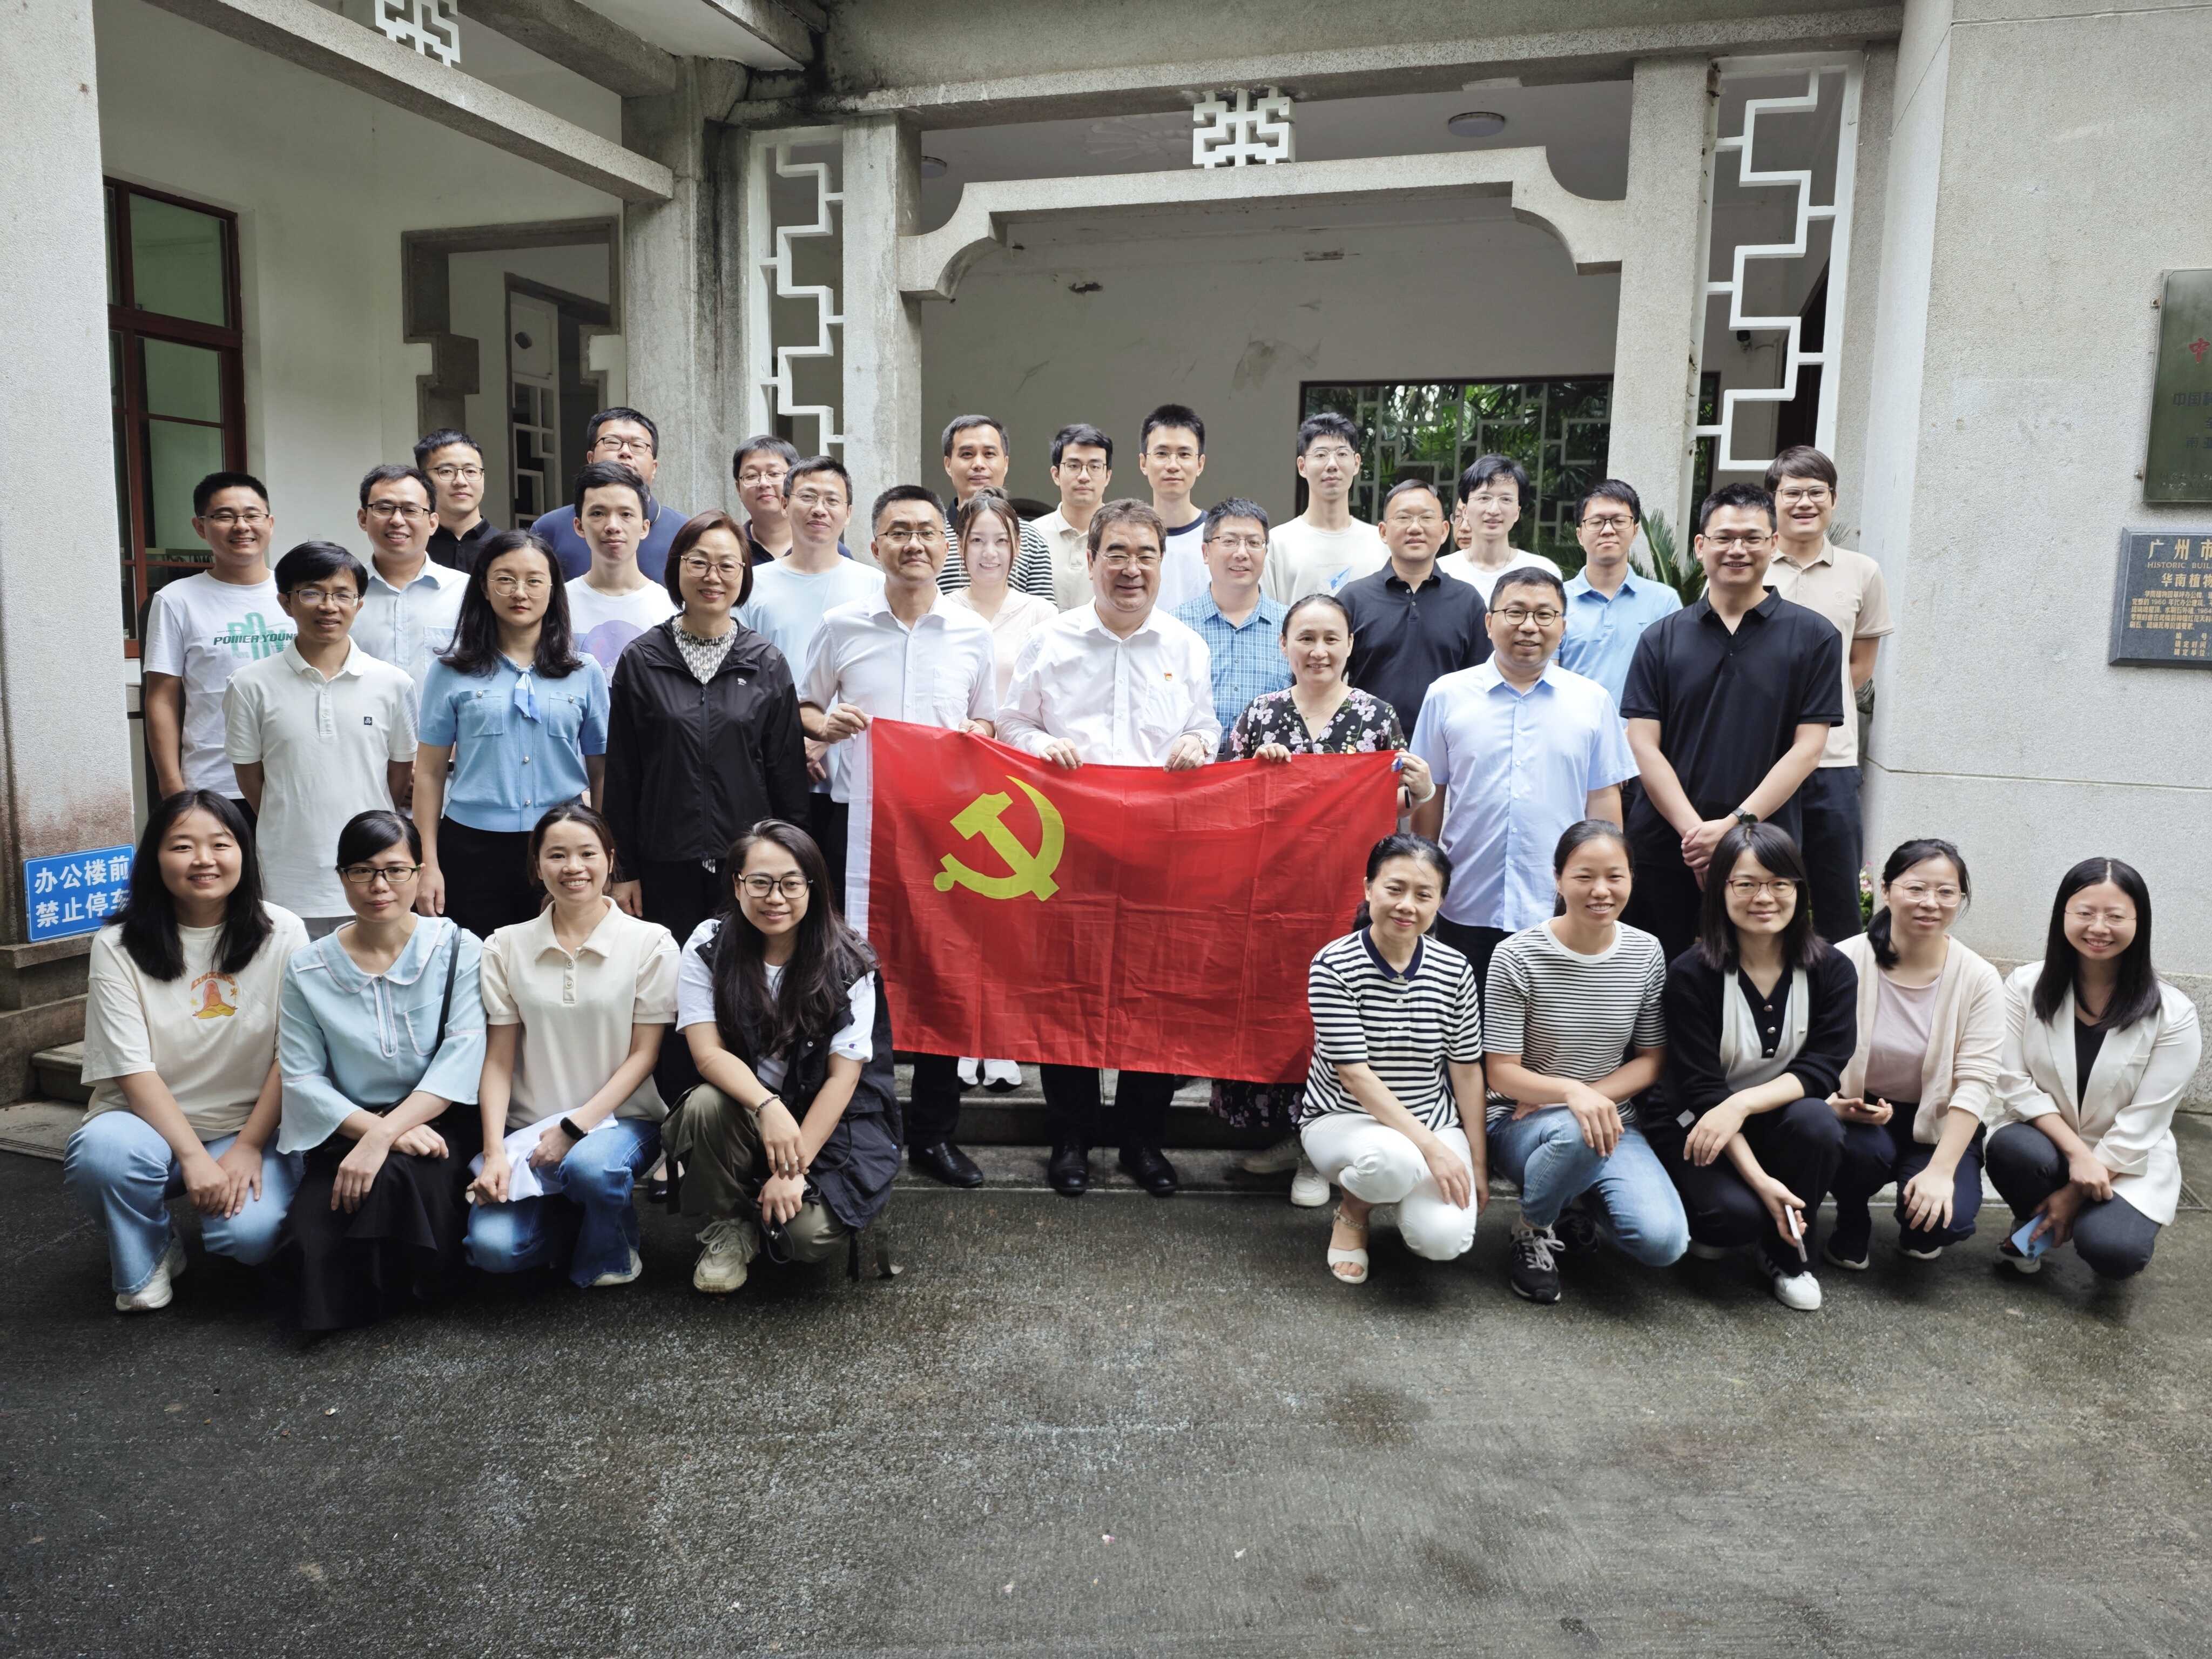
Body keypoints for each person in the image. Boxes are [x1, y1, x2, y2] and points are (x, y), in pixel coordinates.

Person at [999, 499, 1220, 1197]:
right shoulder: (1050, 640)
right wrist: (1042, 744)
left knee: (1152, 997)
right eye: (1116, 553)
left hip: (1159, 852)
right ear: (1091, 560)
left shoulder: (1185, 646)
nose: (1131, 569)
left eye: (1145, 555)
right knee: (1067, 995)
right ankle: (1071, 1140)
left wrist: (1197, 745)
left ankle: (1140, 1142)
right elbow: (1012, 725)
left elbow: (1207, 729)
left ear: (1161, 563)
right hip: (1067, 851)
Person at [801, 483, 998, 1185]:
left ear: (946, 546)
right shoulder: (842, 624)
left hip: (945, 832)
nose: (913, 544)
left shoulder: (973, 633)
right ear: (875, 544)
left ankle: (934, 1133)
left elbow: (990, 719)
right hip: (856, 824)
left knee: (942, 975)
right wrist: (823, 726)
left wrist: (976, 731)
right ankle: (865, 1127)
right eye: (898, 532)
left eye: (926, 532)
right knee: (854, 976)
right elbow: (804, 704)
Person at [1217, 592, 1434, 1205]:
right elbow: (1224, 800)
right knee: (1278, 1009)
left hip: (1347, 898)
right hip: (1273, 896)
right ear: (1283, 645)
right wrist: (1257, 772)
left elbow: (1392, 808)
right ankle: (1288, 1140)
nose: (1318, 651)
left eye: (1331, 638)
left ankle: (1323, 1151)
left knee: (1338, 1016)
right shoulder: (1260, 715)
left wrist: (1419, 790)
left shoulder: (1376, 717)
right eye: (1306, 638)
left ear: (1350, 646)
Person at [62, 793, 309, 1313]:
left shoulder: (284, 932)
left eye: (220, 844)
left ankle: (234, 1196)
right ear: (155, 858)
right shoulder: (117, 944)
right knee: (103, 1155)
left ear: (243, 852)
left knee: (249, 1239)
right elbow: (131, 1067)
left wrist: (248, 1145)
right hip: (146, 1127)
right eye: (182, 846)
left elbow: (293, 1055)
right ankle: (152, 1249)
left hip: (246, 1128)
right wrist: (194, 1157)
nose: (203, 860)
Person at [662, 821, 900, 1294]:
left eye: (791, 884)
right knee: (704, 1105)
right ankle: (731, 1224)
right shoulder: (709, 946)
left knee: (803, 1238)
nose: (775, 898)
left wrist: (794, 1170)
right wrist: (767, 1107)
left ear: (813, 886)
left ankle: (775, 1205)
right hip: (749, 1108)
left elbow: (843, 1078)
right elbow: (707, 1054)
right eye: (760, 883)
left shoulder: (850, 961)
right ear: (737, 885)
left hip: (833, 1120)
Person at [274, 810, 485, 1332]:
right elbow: (301, 1078)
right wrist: (375, 1132)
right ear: (342, 877)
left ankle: (392, 1295)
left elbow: (462, 1057)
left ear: (419, 873)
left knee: (394, 1179)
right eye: (362, 871)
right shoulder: (307, 968)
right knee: (306, 1243)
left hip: (439, 1127)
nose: (379, 886)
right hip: (348, 1128)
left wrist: (386, 1136)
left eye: (395, 870)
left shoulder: (459, 948)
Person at [1620, 483, 1843, 965]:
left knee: (1756, 976)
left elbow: (1808, 749)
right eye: (1724, 537)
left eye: (1752, 538)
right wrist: (1696, 835)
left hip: (1765, 851)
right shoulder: (1661, 638)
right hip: (1668, 846)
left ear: (1774, 543)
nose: (1737, 549)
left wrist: (1734, 828)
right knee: (1657, 978)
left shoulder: (1815, 637)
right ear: (1701, 546)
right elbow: (1642, 743)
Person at [464, 804, 678, 1289]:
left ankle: (610, 1248)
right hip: (529, 1132)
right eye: (557, 855)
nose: (573, 867)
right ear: (537, 865)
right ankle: (574, 1214)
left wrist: (574, 1128)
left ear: (610, 860)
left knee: (592, 1168)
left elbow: (644, 1055)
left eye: (587, 853)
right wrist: (494, 1152)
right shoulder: (503, 946)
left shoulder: (652, 943)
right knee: (495, 1251)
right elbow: (498, 1061)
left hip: (624, 1122)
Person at [1651, 824, 1854, 1311]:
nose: (1764, 897)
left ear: (1799, 890)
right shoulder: (1691, 974)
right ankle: (1737, 1214)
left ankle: (1789, 1257)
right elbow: (1701, 1089)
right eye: (1746, 884)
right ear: (1720, 889)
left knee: (1818, 1121)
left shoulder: (1832, 969)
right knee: (1732, 1218)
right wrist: (1762, 1183)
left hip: (1770, 1116)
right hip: (1694, 1121)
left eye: (1779, 883)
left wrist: (1740, 1105)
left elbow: (1823, 1070)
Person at [1482, 821, 1685, 1304]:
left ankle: (1573, 1196)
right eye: (1584, 876)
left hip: (1611, 1120)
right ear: (1558, 879)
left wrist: (1588, 1097)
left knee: (1663, 1243)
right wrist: (1569, 1094)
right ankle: (1532, 1227)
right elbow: (1500, 1071)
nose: (1601, 890)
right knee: (1575, 1133)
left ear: (1632, 879)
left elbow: (1652, 1060)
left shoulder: (1645, 951)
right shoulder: (1516, 955)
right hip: (1520, 1119)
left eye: (1615, 876)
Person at [1410, 567, 1635, 994]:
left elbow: (1604, 800)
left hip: (1557, 905)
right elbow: (1429, 793)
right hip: (1466, 899)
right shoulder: (1446, 695)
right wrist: (1424, 878)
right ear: (1489, 622)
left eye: (1545, 615)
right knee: (1465, 1023)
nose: (1529, 626)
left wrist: (1604, 883)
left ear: (1563, 627)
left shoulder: (1592, 701)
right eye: (1515, 612)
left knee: (1553, 1023)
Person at [605, 510, 811, 956]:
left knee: (746, 977)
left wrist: (790, 869)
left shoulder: (766, 662)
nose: (712, 576)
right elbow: (622, 774)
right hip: (663, 862)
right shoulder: (642, 659)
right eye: (698, 562)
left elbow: (787, 777)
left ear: (744, 573)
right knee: (668, 979)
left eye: (727, 564)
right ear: (676, 566)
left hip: (749, 866)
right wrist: (623, 871)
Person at [1987, 859, 2201, 1282]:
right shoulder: (2024, 987)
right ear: (2063, 915)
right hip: (2049, 1142)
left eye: (2115, 916)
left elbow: (2146, 1119)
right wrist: (2079, 1155)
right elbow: (2013, 1082)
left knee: (2114, 1250)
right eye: (2085, 913)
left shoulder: (2174, 1013)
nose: (2099, 928)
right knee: (2013, 1149)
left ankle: (2063, 1216)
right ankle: (2031, 1219)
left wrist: (2072, 1196)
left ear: (2139, 922)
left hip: (2129, 1156)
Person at [1299, 834, 1485, 1286]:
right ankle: (1354, 1211)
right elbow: (1355, 1076)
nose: (1407, 905)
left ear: (1440, 902)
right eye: (1394, 889)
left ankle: (1405, 1191)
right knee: (1392, 1161)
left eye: (1424, 894)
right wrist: (1433, 1150)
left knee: (1443, 1241)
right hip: (1344, 1119)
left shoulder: (1455, 969)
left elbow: (1465, 1070)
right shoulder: (1333, 965)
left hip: (1432, 1121)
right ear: (1368, 888)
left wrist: (1479, 1164)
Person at [415, 531, 609, 942]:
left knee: (559, 959)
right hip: (471, 848)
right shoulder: (450, 671)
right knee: (478, 964)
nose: (520, 592)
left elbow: (602, 770)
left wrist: (607, 856)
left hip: (563, 846)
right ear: (484, 587)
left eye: (534, 581)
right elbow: (429, 773)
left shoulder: (584, 671)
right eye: (505, 579)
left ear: (553, 590)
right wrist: (428, 864)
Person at [1825, 838, 2005, 1269]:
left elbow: (1976, 1081)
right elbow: (1815, 1052)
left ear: (1960, 899)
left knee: (1945, 1222)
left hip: (1939, 1120)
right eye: (1916, 888)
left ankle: (1916, 1224)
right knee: (1858, 1156)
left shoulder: (1978, 978)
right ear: (1887, 891)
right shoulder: (1844, 960)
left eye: (1946, 892)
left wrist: (1941, 1172)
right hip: (1861, 1113)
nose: (1931, 903)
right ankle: (1851, 1218)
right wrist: (1831, 1103)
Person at [222, 541, 416, 935]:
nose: (329, 606)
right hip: (289, 877)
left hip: (372, 875)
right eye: (311, 593)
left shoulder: (394, 684)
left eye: (343, 595)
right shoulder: (249, 684)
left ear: (359, 604)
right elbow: (251, 780)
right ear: (285, 602)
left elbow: (397, 777)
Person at [1761, 446, 1893, 943]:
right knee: (1762, 886)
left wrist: (1814, 716)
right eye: (1792, 492)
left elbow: (1859, 665)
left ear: (1834, 500)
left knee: (1837, 895)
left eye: (1816, 492)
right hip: (1761, 758)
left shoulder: (1863, 571)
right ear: (1773, 500)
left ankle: (1840, 984)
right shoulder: (1750, 563)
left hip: (1832, 761)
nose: (1805, 503)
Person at [738, 457, 885, 863]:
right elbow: (745, 682)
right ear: (785, 504)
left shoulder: (876, 586)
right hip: (773, 771)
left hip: (856, 775)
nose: (820, 509)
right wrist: (791, 742)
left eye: (832, 500)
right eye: (808, 497)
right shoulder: (753, 586)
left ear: (849, 513)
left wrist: (822, 736)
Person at [143, 471, 298, 810]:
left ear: (270, 523)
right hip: (215, 784)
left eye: (252, 515)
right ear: (200, 527)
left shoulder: (299, 593)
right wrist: (172, 787)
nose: (241, 526)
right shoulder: (176, 600)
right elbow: (162, 698)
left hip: (296, 777)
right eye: (225, 516)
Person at [1337, 478, 1491, 738]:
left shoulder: (1468, 601)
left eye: (1426, 518)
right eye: (1403, 518)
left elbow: (1483, 684)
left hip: (1446, 745)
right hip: (1367, 746)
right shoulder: (1353, 599)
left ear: (1444, 530)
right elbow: (1326, 677)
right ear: (1383, 531)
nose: (1415, 527)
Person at [1556, 480, 1681, 710]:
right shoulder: (1555, 600)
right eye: (1596, 522)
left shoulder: (1664, 601)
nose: (1608, 530)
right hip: (1572, 729)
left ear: (1635, 531)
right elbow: (1547, 677)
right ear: (1580, 535)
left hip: (1640, 731)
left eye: (1619, 521)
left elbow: (1674, 679)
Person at [353, 461, 467, 709]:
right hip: (363, 732)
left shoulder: (465, 593)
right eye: (384, 508)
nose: (397, 520)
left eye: (410, 510)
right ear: (363, 519)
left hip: (446, 734)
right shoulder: (343, 595)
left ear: (433, 523)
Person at [1174, 498, 1291, 734]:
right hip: (1192, 757)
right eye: (1229, 541)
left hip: (1270, 758)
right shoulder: (1175, 627)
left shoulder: (1291, 627)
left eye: (1254, 543)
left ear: (1265, 552)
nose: (1242, 553)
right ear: (1206, 552)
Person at [531, 408, 685, 582]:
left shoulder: (685, 532)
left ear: (654, 468)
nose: (625, 452)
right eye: (612, 442)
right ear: (591, 459)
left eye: (637, 446)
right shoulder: (550, 528)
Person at [943, 491, 1059, 705]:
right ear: (960, 545)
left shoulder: (1041, 615)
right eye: (977, 540)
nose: (990, 552)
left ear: (1017, 544)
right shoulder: (941, 612)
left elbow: (1053, 695)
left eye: (1001, 541)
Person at [563, 461, 678, 672]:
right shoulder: (558, 603)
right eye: (598, 513)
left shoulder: (671, 609)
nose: (613, 526)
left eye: (626, 514)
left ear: (644, 527)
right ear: (579, 526)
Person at [1263, 413, 1390, 603]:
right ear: (1302, 466)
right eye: (1321, 455)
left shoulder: (1381, 544)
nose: (1332, 465)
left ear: (1356, 464)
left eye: (1342, 454)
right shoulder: (1277, 544)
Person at [933, 414, 1055, 597]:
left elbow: (1043, 611)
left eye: (989, 454)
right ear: (948, 464)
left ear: (1006, 463)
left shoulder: (1032, 540)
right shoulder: (930, 535)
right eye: (967, 454)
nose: (978, 464)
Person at [1436, 455, 1561, 602]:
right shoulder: (1440, 572)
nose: (1494, 510)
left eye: (1506, 499)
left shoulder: (1544, 572)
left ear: (1517, 512)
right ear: (1465, 511)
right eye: (1484, 498)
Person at [1137, 404, 1211, 611]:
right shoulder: (1129, 537)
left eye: (1184, 454)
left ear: (1200, 464)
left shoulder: (1219, 537)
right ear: (1143, 463)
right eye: (1162, 453)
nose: (1172, 465)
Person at [1033, 423, 1114, 610]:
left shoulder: (1122, 536)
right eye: (1073, 466)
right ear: (1056, 475)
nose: (1084, 476)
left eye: (1095, 466)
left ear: (1108, 476)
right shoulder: (1031, 536)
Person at [415, 428, 498, 574]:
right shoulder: (413, 548)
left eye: (471, 471)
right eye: (446, 471)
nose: (461, 481)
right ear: (422, 481)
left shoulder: (508, 548)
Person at [732, 435, 800, 564]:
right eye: (751, 476)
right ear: (738, 489)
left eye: (774, 474)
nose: (763, 483)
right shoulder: (728, 549)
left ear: (796, 481)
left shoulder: (824, 548)